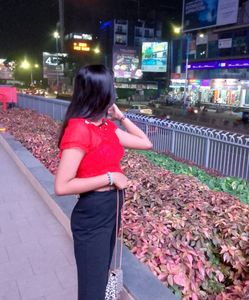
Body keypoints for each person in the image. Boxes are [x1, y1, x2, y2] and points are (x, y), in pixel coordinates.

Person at [55, 65, 152, 300]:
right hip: (93, 215)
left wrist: (122, 117)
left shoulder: (107, 127)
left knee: (99, 283)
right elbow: (62, 186)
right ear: (101, 93)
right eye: (113, 87)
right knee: (92, 290)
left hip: (110, 209)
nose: (115, 92)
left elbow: (146, 142)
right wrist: (110, 177)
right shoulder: (79, 129)